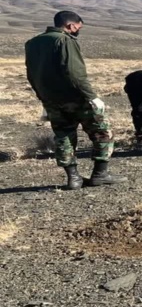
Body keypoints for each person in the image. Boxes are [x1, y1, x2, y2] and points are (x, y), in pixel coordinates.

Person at [24, 11, 127, 190]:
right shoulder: (65, 41)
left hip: (51, 99)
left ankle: (74, 178)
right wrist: (92, 97)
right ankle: (100, 174)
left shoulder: (32, 43)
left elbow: (31, 75)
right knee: (102, 132)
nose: (78, 30)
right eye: (79, 27)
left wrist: (43, 99)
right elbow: (75, 73)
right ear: (70, 25)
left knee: (63, 136)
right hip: (76, 98)